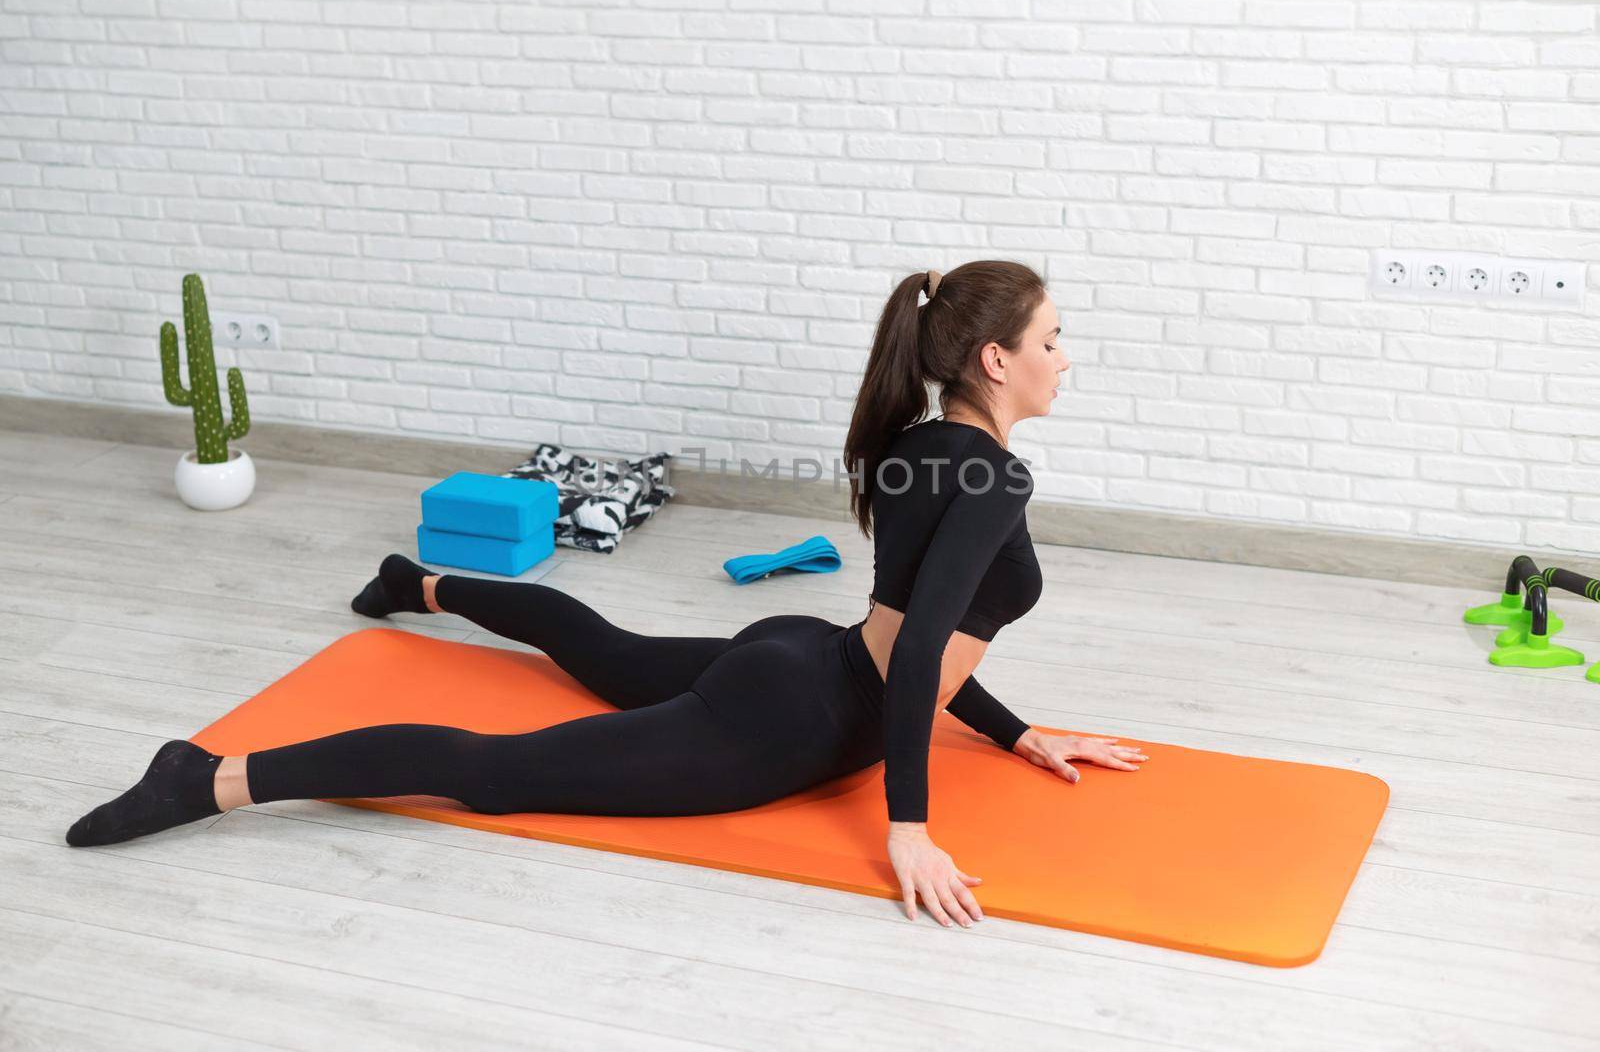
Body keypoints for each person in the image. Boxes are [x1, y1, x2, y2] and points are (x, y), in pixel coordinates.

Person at [63, 260, 1148, 928]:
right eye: (1053, 340)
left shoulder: (918, 444)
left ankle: (421, 583)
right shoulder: (992, 475)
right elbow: (916, 659)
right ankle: (208, 777)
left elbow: (921, 630)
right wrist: (908, 827)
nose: (1067, 358)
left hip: (796, 659)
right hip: (791, 713)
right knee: (492, 775)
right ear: (996, 361)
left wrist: (1014, 736)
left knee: (608, 650)